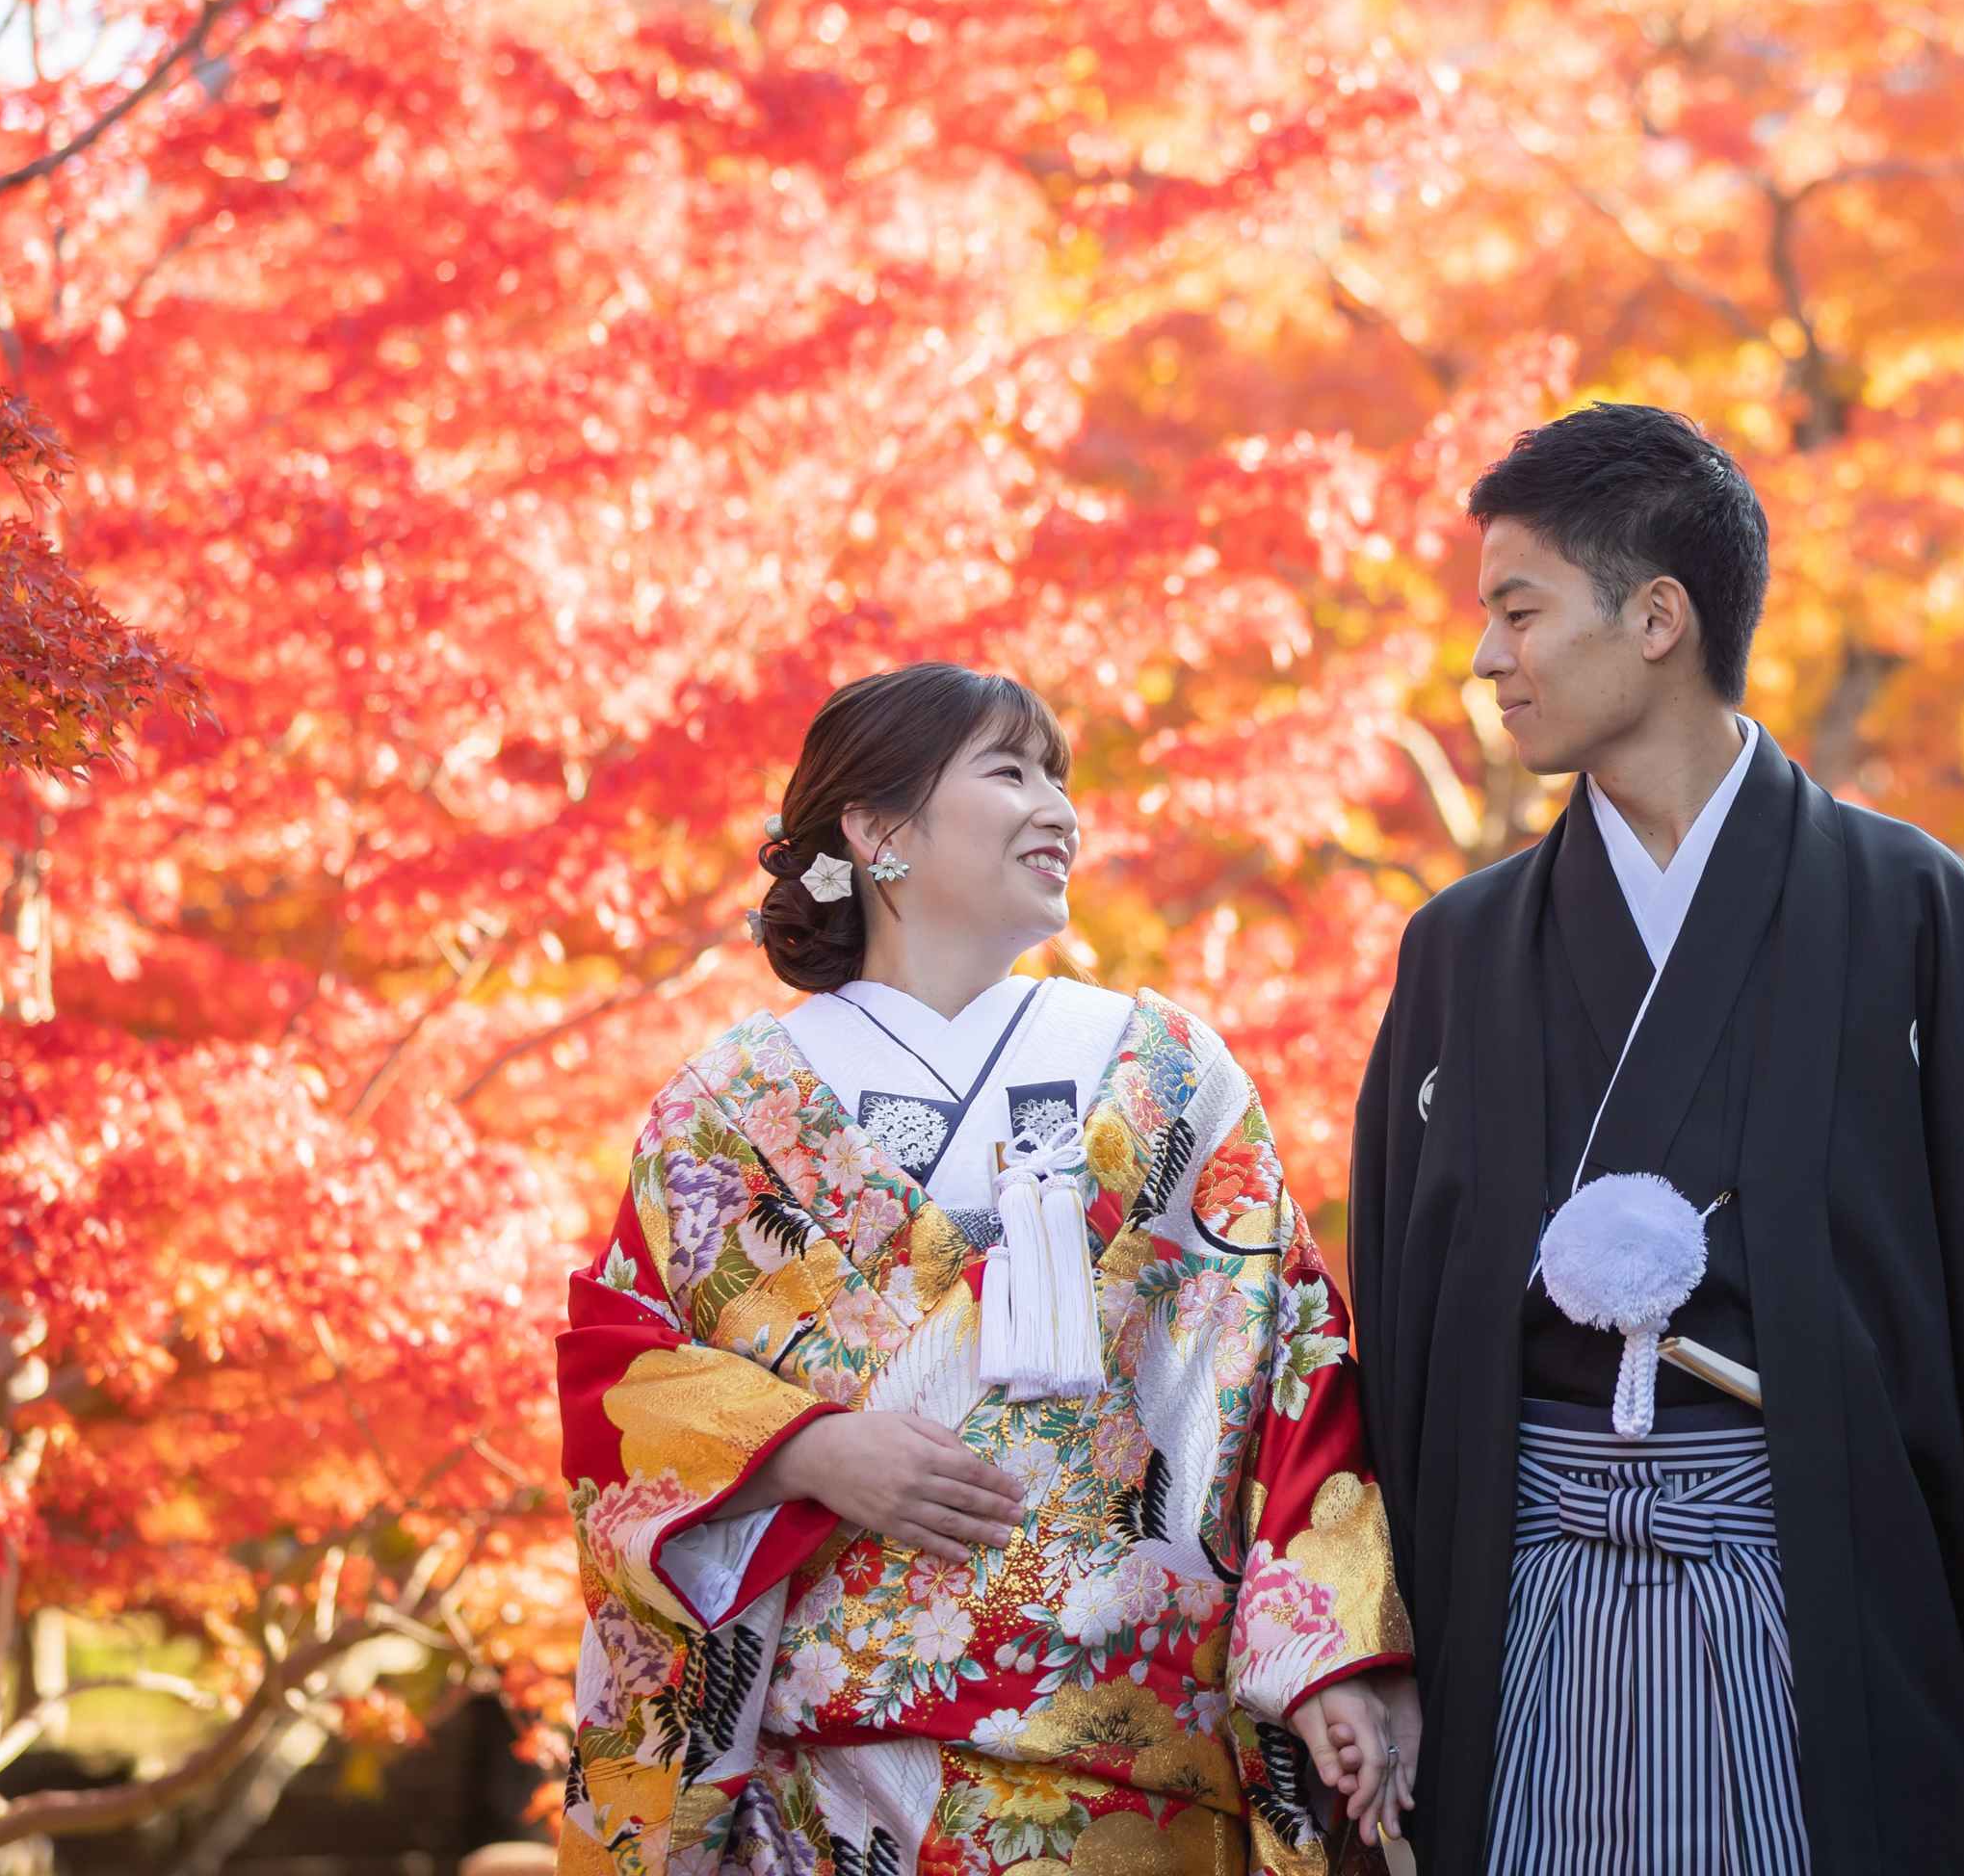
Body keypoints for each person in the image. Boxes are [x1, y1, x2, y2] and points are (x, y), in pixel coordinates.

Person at [1349, 406, 1964, 1876]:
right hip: (1523, 1583)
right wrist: (1375, 1640)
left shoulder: (1903, 907)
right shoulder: (1464, 948)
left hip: (1819, 1560)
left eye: (1518, 612)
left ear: (1656, 619)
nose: (1487, 660)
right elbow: (1402, 1315)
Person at [559, 664, 1418, 1875]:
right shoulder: (731, 1104)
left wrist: (1328, 1656)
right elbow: (622, 1379)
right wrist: (804, 1450)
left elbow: (1294, 1365)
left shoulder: (1168, 1072)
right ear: (876, 830)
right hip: (834, 1776)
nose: (1057, 808)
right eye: (1010, 771)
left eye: (1059, 777)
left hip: (1137, 1770)